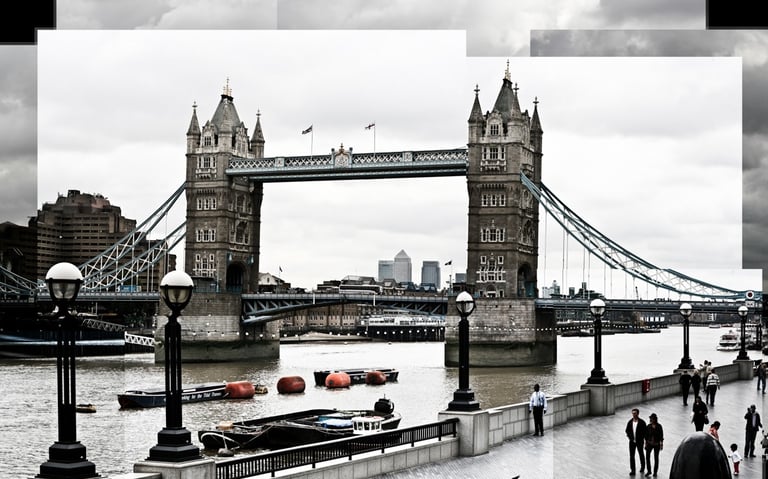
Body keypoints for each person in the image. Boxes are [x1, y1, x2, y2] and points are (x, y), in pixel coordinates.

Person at [625, 408, 647, 476]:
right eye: (633, 413)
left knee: (641, 454)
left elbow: (645, 432)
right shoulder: (630, 422)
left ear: (638, 414)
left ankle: (642, 467)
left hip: (639, 442)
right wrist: (630, 437)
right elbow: (627, 430)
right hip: (632, 442)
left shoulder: (642, 422)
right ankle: (633, 470)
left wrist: (644, 440)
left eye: (635, 413)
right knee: (632, 456)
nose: (633, 414)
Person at [645, 413, 664, 477]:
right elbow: (646, 436)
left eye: (652, 418)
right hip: (649, 443)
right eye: (650, 418)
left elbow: (661, 435)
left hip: (656, 444)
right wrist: (645, 444)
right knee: (647, 457)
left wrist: (661, 444)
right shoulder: (648, 426)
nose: (651, 419)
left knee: (656, 458)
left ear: (655, 419)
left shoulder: (659, 426)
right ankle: (649, 471)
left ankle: (655, 472)